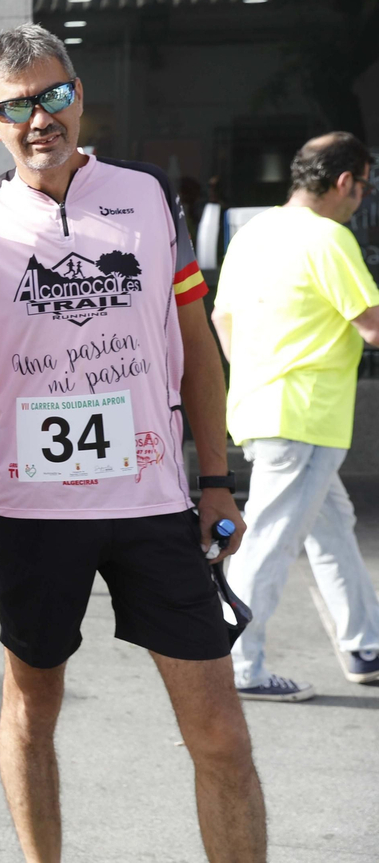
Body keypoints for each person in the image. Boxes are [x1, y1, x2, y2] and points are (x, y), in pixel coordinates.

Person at [0, 24, 267, 862]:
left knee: (220, 731)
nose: (39, 118)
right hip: (32, 511)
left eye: (53, 96)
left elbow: (195, 347)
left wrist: (217, 477)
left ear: (78, 94)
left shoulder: (148, 196)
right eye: (16, 106)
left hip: (153, 504)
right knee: (32, 708)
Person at [212, 132, 379, 698]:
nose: (362, 195)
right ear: (344, 182)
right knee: (271, 540)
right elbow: (372, 324)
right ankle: (241, 666)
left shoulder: (254, 233)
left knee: (332, 530)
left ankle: (366, 645)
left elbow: (224, 319)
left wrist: (261, 371)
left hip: (266, 406)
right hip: (308, 415)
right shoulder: (330, 238)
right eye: (363, 184)